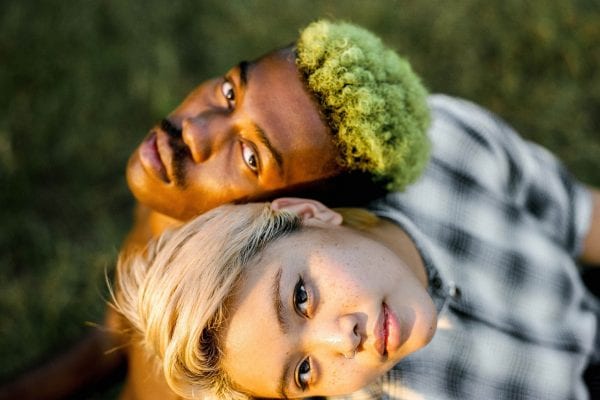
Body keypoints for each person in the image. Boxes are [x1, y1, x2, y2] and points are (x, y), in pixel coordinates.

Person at [0, 20, 431, 400]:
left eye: (250, 159)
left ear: (300, 213)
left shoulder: (260, 360)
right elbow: (110, 340)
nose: (194, 130)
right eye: (230, 92)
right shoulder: (172, 205)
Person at [113, 93, 600, 399]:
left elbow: (583, 218)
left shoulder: (446, 150)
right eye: (303, 373)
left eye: (301, 298)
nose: (341, 342)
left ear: (307, 214)